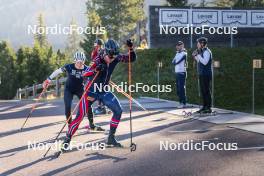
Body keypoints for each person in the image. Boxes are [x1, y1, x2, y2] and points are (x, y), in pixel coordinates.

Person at [62, 39, 136, 149]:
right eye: (110, 57)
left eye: (114, 57)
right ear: (105, 52)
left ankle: (111, 138)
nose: (112, 59)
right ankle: (67, 140)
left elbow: (131, 58)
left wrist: (131, 48)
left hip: (103, 90)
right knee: (79, 117)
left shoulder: (115, 56)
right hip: (90, 91)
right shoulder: (98, 59)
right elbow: (85, 73)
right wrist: (96, 69)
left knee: (118, 111)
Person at [42, 51, 104, 131]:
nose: (79, 64)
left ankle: (92, 125)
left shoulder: (86, 69)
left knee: (88, 105)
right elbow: (57, 71)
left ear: (83, 61)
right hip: (69, 89)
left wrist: (99, 72)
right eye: (78, 62)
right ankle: (70, 125)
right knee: (67, 106)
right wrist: (48, 79)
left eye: (81, 62)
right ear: (75, 61)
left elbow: (94, 76)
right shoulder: (69, 67)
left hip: (80, 89)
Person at [192, 37, 213, 113]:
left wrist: (198, 55)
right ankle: (204, 106)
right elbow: (199, 61)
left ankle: (208, 107)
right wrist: (195, 56)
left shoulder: (207, 51)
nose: (197, 45)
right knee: (203, 91)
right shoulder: (201, 51)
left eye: (198, 43)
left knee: (206, 90)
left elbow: (205, 62)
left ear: (202, 44)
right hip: (201, 74)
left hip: (206, 74)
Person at [91, 39, 108, 115]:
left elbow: (107, 62)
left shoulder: (104, 52)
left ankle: (103, 107)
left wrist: (102, 66)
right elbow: (94, 62)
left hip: (103, 74)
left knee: (102, 90)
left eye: (98, 46)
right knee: (97, 91)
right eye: (96, 46)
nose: (97, 47)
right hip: (97, 74)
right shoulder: (94, 52)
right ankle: (100, 106)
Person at [172, 41, 187, 108]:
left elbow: (177, 62)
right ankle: (180, 102)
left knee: (181, 88)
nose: (177, 47)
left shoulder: (184, 53)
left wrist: (175, 62)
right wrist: (175, 61)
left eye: (178, 45)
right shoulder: (177, 53)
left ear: (182, 46)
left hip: (182, 73)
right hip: (177, 72)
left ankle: (183, 103)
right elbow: (173, 61)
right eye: (177, 45)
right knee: (178, 89)